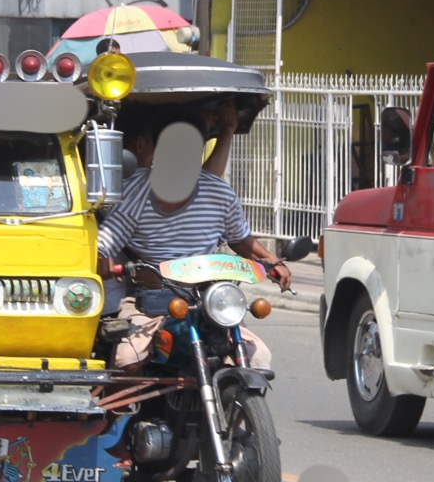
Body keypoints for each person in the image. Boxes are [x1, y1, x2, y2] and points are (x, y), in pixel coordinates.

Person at [98, 113, 290, 368]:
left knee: (258, 359)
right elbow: (106, 243)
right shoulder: (136, 192)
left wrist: (271, 260)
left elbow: (241, 241)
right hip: (151, 304)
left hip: (209, 301)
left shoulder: (219, 193)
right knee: (129, 360)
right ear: (156, 151)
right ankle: (118, 410)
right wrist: (103, 261)